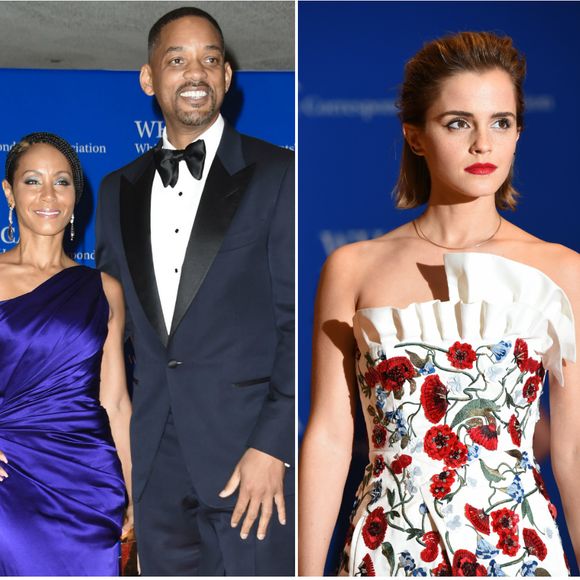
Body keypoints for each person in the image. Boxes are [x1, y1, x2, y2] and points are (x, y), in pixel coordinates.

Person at [299, 31, 580, 576]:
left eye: (501, 122)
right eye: (458, 123)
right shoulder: (353, 266)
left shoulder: (562, 269)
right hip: (388, 549)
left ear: (519, 133)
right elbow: (331, 435)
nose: (483, 144)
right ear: (416, 136)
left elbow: (572, 450)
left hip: (517, 549)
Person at [95, 6, 294, 576]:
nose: (196, 72)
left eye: (211, 59)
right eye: (177, 60)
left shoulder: (279, 172)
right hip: (153, 464)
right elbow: (102, 336)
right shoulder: (116, 191)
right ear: (149, 78)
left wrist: (273, 446)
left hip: (251, 464)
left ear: (228, 77)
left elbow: (297, 319)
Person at [0, 132, 132, 575]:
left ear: (77, 196)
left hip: (89, 481)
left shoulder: (103, 288)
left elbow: (114, 402)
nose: (48, 195)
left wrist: (135, 492)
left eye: (62, 182)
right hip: (8, 475)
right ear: (9, 192)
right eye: (32, 181)